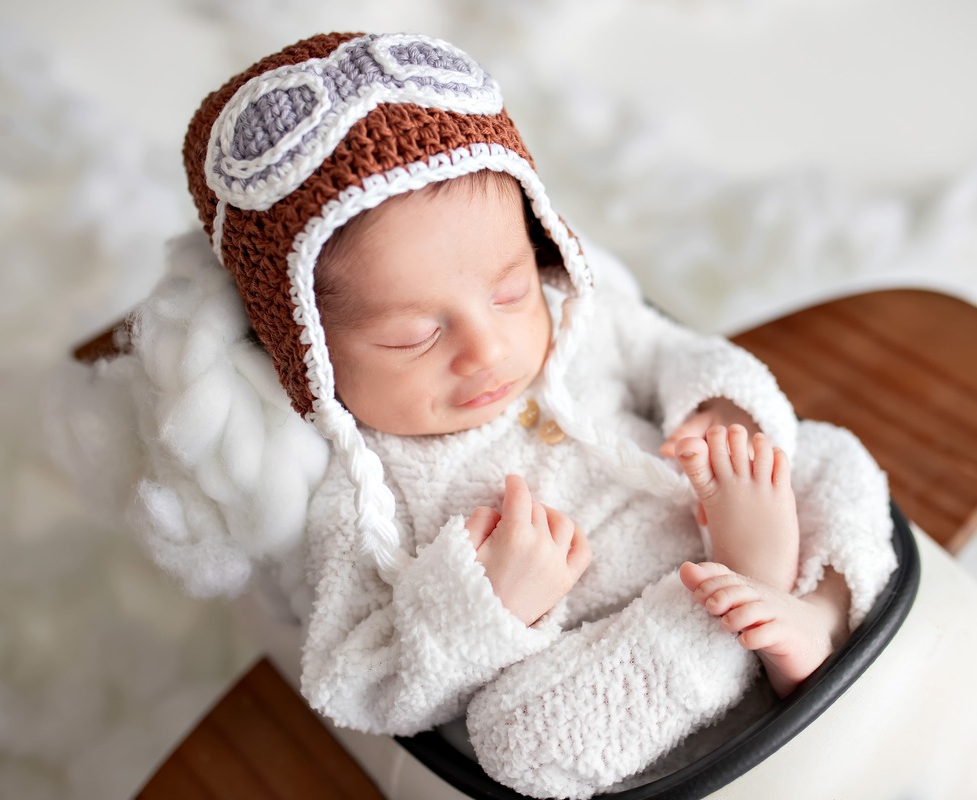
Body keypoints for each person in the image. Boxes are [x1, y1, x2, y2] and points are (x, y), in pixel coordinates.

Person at [156, 31, 898, 798]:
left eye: (509, 292)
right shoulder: (364, 493)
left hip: (725, 517)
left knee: (833, 457)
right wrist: (485, 604)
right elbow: (357, 681)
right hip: (632, 692)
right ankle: (747, 601)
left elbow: (673, 349)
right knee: (516, 743)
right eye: (414, 336)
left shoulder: (577, 318)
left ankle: (818, 615)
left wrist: (720, 413)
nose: (486, 349)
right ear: (306, 352)